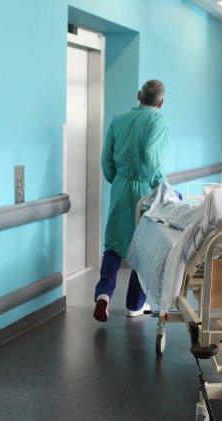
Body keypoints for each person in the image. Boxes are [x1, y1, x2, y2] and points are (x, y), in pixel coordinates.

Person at [93, 80, 169, 323]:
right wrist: (160, 187)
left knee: (114, 242)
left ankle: (103, 295)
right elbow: (152, 157)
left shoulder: (118, 119)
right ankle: (135, 304)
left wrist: (116, 179)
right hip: (144, 188)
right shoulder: (157, 121)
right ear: (161, 102)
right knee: (142, 245)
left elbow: (106, 159)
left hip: (120, 185)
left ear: (139, 96)